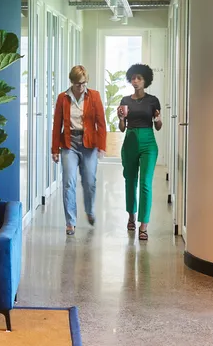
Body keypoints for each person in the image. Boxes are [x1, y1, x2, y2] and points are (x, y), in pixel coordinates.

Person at [51, 65, 106, 235]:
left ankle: (89, 211)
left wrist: (102, 146)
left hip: (89, 144)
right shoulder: (63, 98)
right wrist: (55, 149)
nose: (81, 88)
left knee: (89, 182)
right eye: (77, 84)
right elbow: (57, 125)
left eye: (83, 84)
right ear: (71, 82)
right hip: (69, 144)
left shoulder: (94, 96)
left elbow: (101, 123)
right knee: (68, 182)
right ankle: (70, 222)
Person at [116, 63, 162, 241]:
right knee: (130, 180)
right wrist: (121, 118)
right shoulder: (125, 101)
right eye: (133, 78)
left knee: (145, 183)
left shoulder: (153, 100)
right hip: (130, 140)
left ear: (145, 80)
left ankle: (144, 225)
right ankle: (131, 216)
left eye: (139, 78)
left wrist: (157, 119)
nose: (135, 81)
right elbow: (121, 128)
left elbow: (158, 126)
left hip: (148, 142)